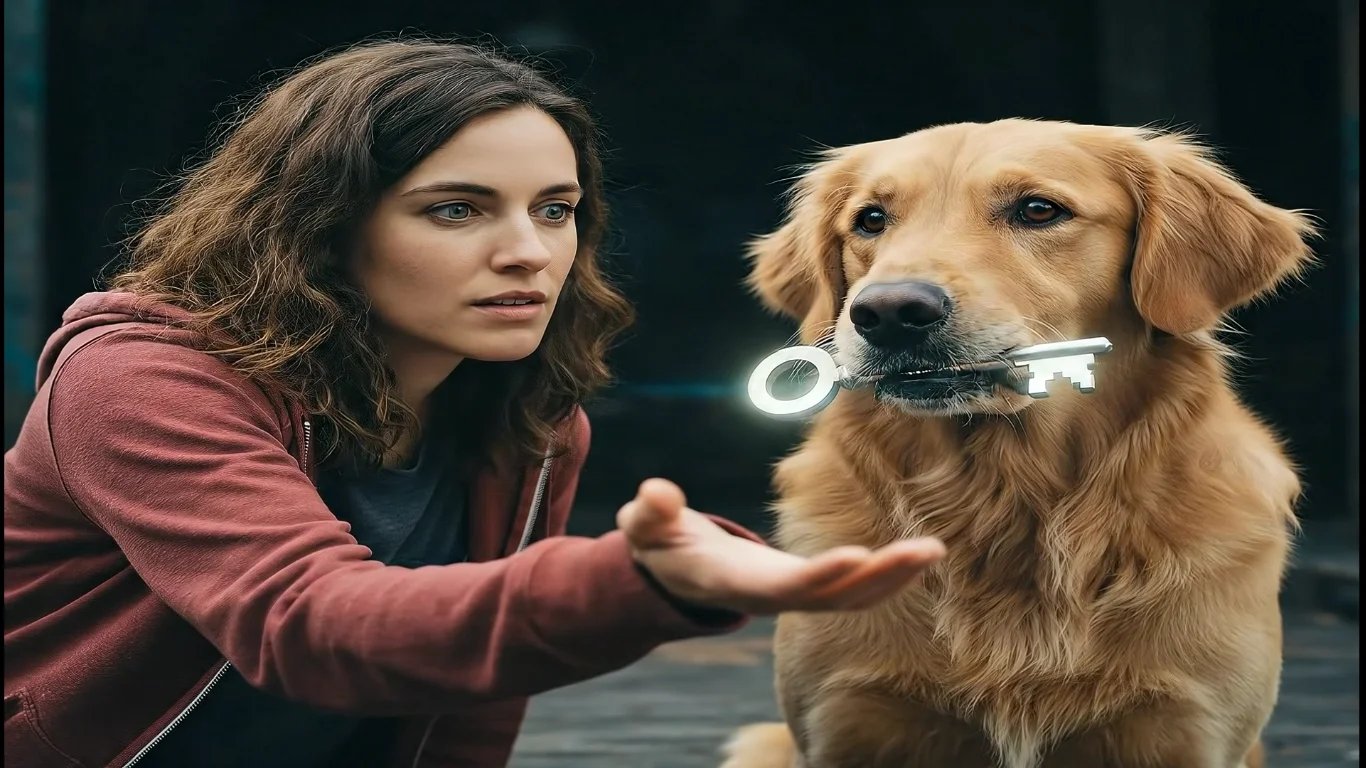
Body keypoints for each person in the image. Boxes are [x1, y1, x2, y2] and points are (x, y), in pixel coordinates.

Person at [3, 38, 946, 768]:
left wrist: (718, 565)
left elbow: (466, 716)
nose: (529, 252)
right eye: (456, 209)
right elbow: (311, 625)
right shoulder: (142, 380)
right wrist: (642, 581)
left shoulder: (526, 425)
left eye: (554, 208)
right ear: (320, 224)